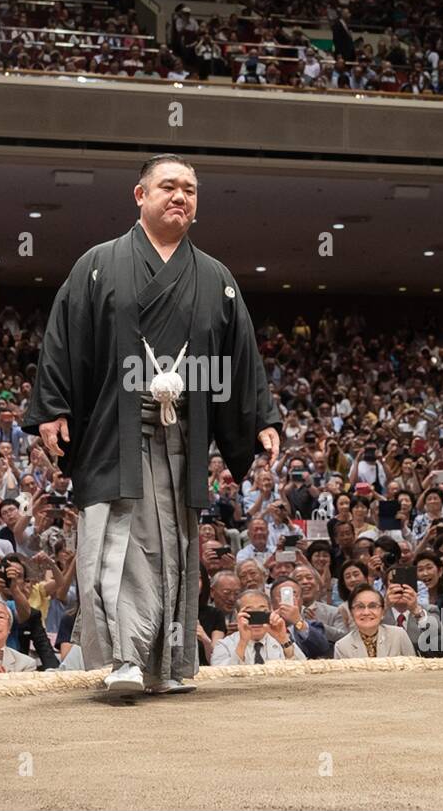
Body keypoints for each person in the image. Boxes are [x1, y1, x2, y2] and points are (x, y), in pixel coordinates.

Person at [25, 154, 280, 695]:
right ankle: (124, 657)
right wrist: (53, 408)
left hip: (183, 433)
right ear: (140, 195)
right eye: (168, 186)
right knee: (119, 544)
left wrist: (259, 416)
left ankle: (164, 666)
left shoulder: (215, 277)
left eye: (189, 189)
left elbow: (239, 354)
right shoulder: (97, 264)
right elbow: (63, 339)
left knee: (174, 548)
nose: (180, 196)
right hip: (113, 430)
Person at [209, 589, 300, 665]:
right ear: (237, 615)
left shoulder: (282, 640)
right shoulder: (224, 645)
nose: (257, 619)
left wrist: (283, 640)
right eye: (250, 613)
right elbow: (220, 675)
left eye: (262, 612)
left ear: (271, 612)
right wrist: (242, 642)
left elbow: (303, 670)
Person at [333, 582, 416, 659]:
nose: (366, 612)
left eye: (372, 606)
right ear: (351, 613)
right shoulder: (342, 647)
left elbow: (414, 667)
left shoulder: (399, 635)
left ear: (382, 612)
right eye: (360, 607)